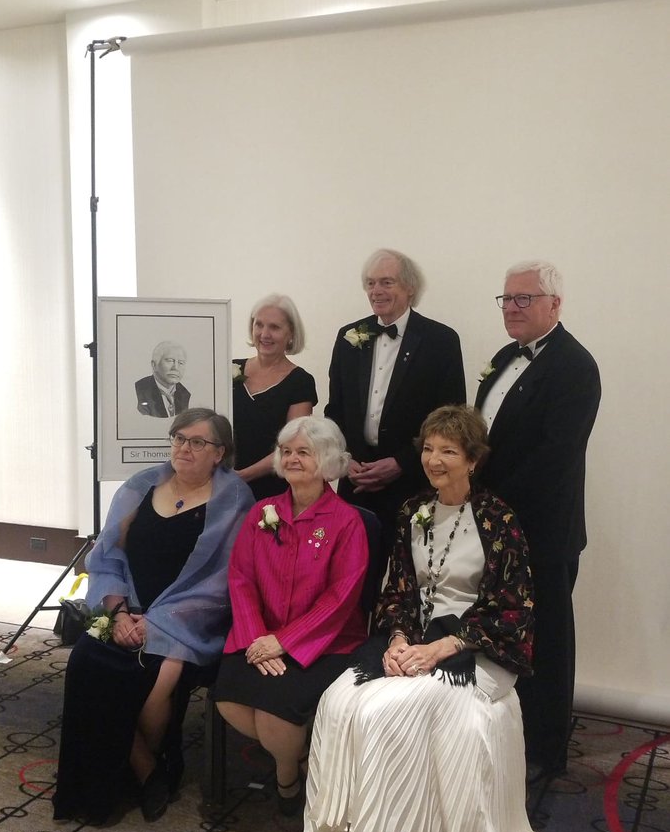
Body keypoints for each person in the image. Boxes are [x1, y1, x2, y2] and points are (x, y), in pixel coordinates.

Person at [304, 405, 557, 832]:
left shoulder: (497, 518)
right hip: (417, 641)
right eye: (428, 448)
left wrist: (444, 647)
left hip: (477, 651)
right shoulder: (413, 511)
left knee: (388, 710)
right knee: (341, 700)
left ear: (473, 459)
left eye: (448, 450)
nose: (434, 459)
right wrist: (398, 640)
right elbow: (395, 590)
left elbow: (514, 608)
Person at [53, 408, 253, 824]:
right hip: (126, 608)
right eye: (179, 438)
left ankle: (149, 765)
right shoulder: (142, 485)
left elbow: (223, 581)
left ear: (220, 453)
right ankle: (148, 773)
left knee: (158, 671)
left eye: (198, 442)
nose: (184, 448)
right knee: (87, 661)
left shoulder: (234, 499)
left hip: (188, 618)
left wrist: (158, 621)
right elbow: (108, 554)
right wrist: (121, 611)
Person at [474, 261, 601, 779]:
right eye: (505, 299)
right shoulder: (505, 356)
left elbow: (557, 455)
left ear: (555, 304)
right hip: (494, 522)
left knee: (545, 635)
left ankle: (546, 749)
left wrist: (495, 502)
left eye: (523, 299)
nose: (511, 308)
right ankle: (502, 733)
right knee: (499, 628)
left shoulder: (575, 366)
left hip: (542, 527)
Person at [212, 416, 369, 815]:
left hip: (324, 642)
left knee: (275, 713)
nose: (292, 459)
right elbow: (241, 578)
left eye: (304, 452)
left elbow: (341, 597)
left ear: (329, 460)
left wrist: (283, 641)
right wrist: (256, 637)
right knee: (229, 699)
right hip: (259, 636)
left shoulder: (347, 521)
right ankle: (296, 759)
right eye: (287, 452)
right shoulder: (262, 511)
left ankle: (286, 777)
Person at [325, 248, 465, 562]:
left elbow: (450, 420)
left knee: (409, 580)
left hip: (413, 483)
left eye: (386, 282)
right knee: (350, 575)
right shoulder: (349, 338)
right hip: (356, 482)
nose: (376, 291)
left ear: (410, 287)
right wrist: (344, 458)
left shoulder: (441, 341)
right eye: (371, 283)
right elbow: (335, 410)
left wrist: (401, 462)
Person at [233, 294, 317, 500]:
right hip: (226, 485)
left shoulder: (301, 382)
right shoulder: (231, 368)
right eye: (258, 325)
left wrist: (243, 476)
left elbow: (293, 444)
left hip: (273, 490)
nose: (264, 334)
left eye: (274, 327)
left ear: (291, 334)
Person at [135, 340, 191, 417]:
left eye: (181, 363)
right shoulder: (139, 390)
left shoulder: (184, 393)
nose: (176, 368)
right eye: (170, 361)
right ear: (154, 365)